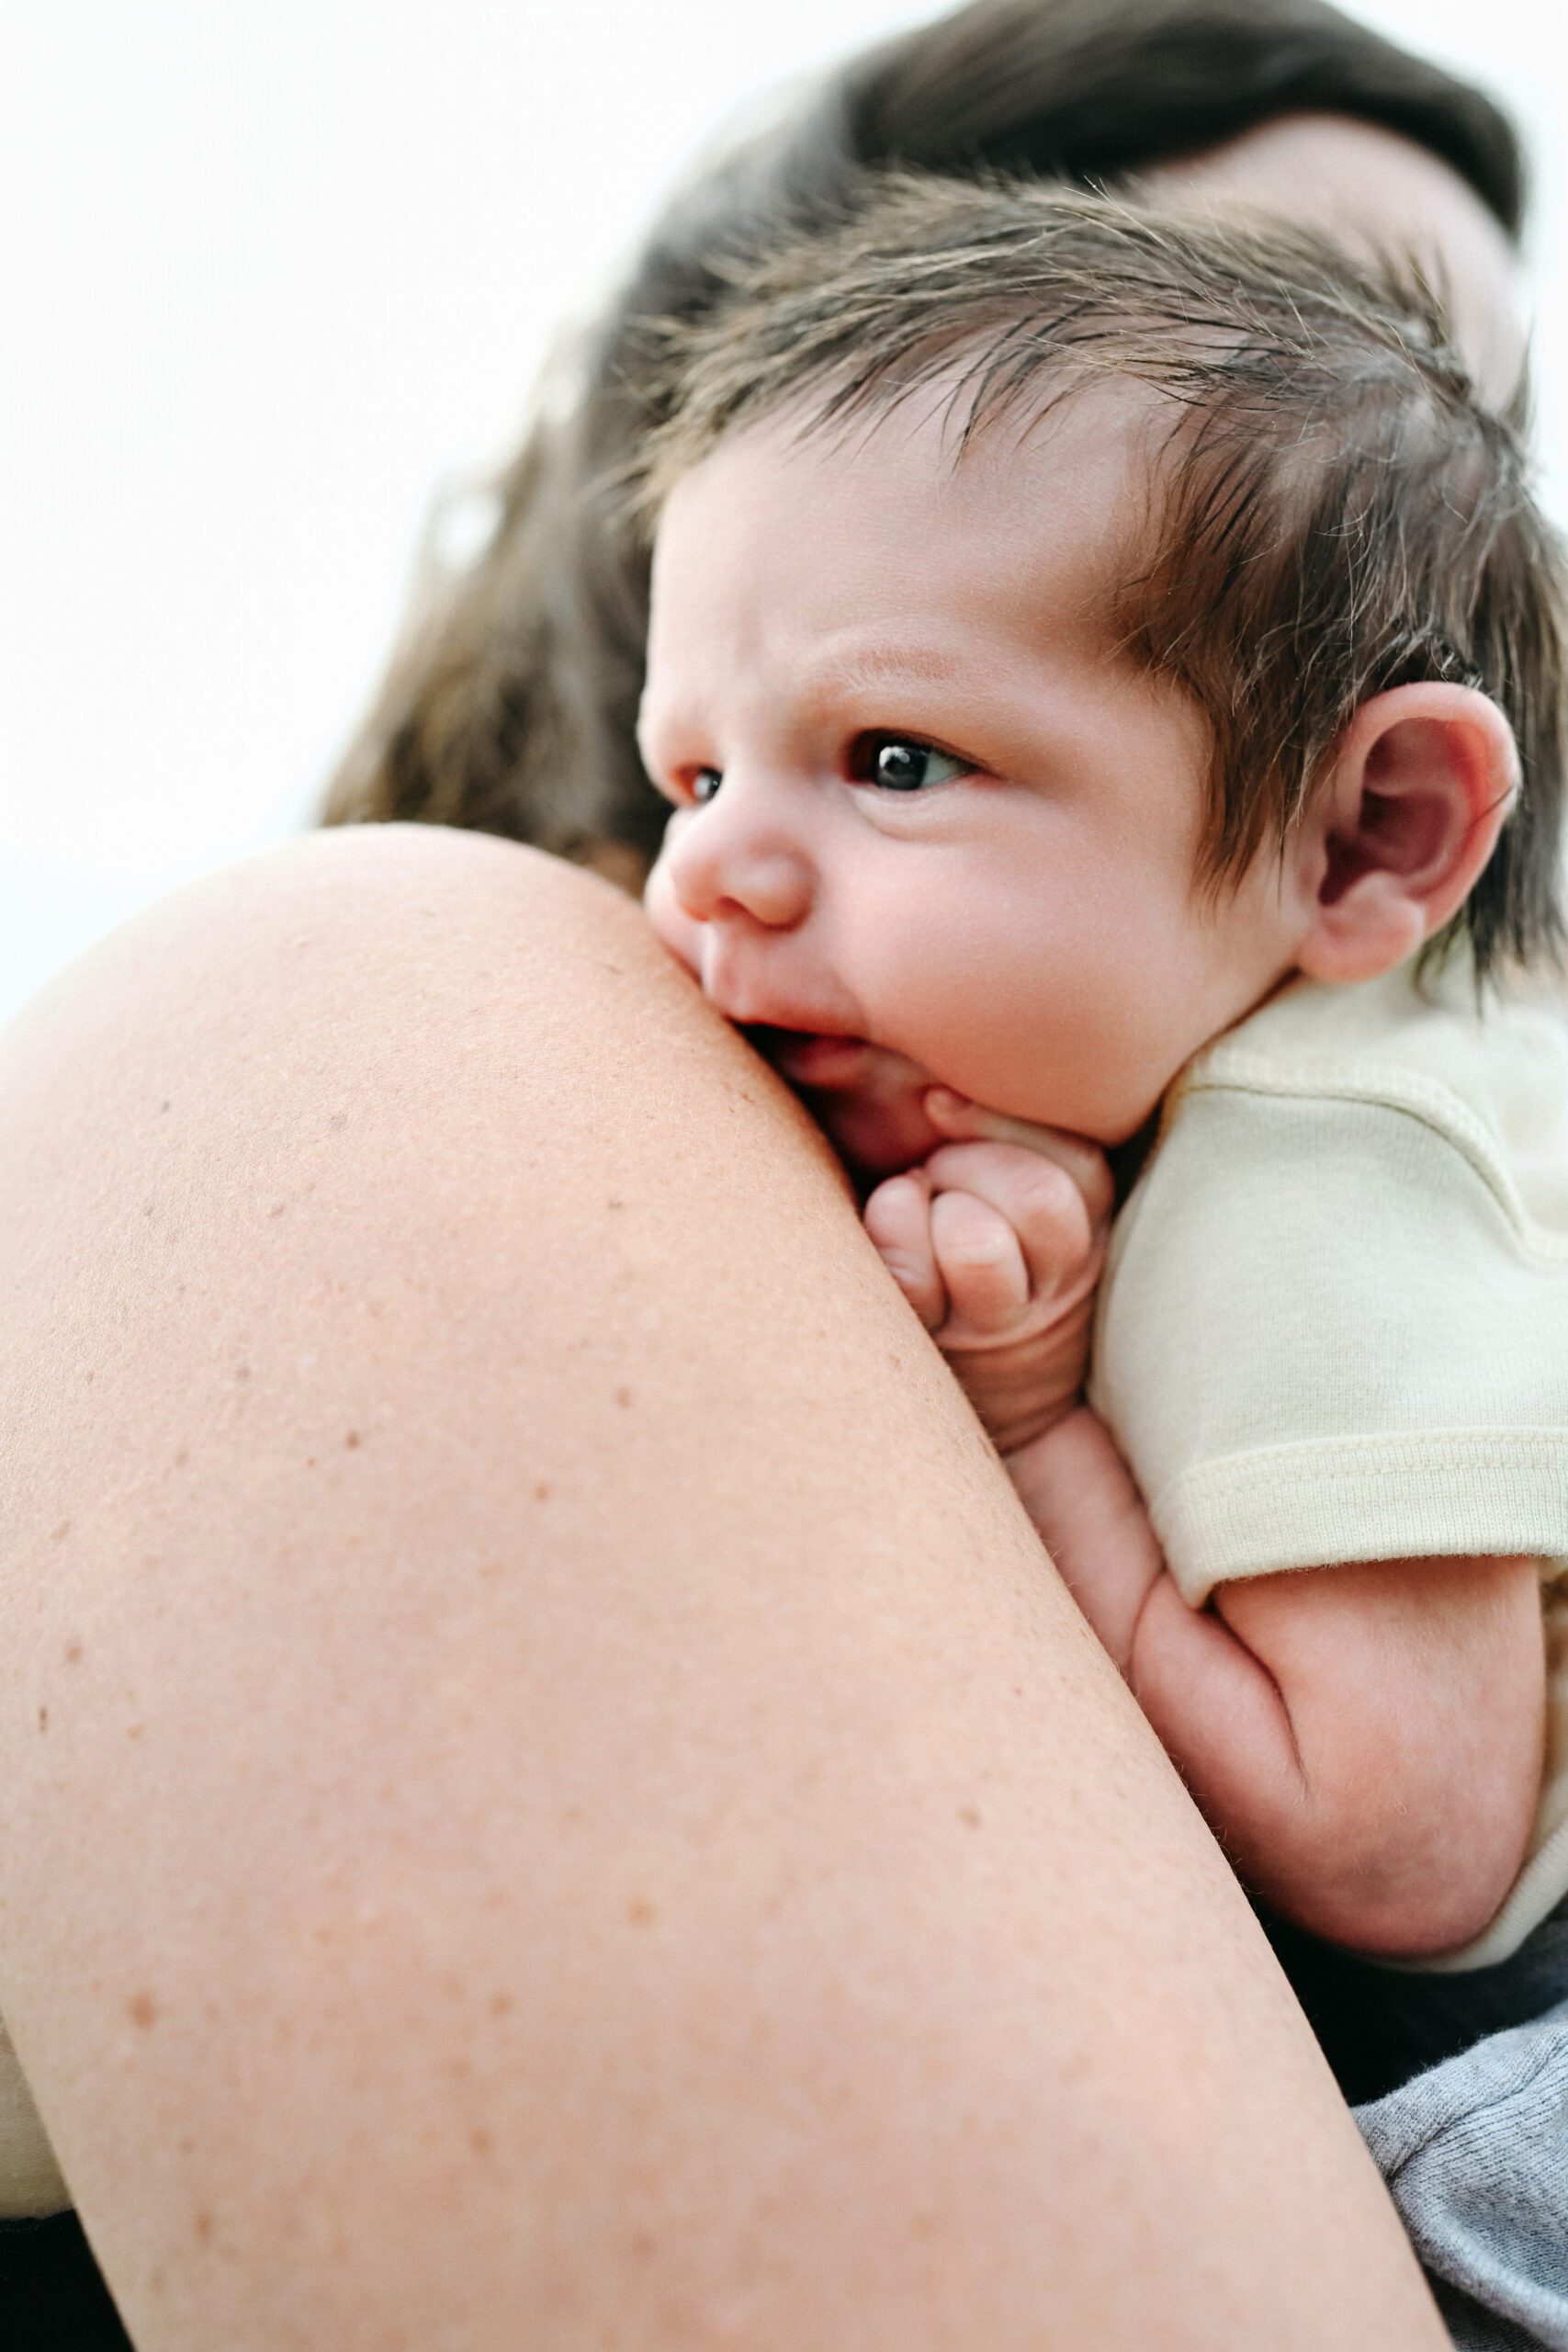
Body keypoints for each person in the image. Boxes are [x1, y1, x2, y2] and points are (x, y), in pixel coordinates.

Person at [0, 1, 1540, 2346]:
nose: (1436, 512)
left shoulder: (1358, 1151)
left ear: (1381, 822)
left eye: (1486, 421)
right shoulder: (365, 1087)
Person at [629, 174, 1568, 2340]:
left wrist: (1037, 1420)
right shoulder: (1194, 1045)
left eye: (890, 757)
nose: (709, 875)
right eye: (688, 764)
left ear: (1369, 838)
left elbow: (1397, 1849)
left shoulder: (1315, 1172)